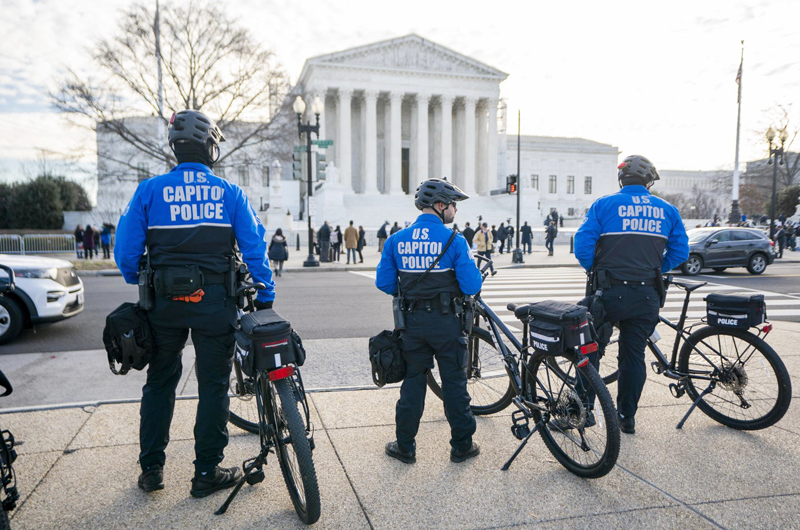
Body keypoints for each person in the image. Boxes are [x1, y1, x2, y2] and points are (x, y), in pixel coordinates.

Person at [114, 109, 276, 496]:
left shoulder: (149, 191)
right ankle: (206, 472)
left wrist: (141, 277)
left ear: (175, 148)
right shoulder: (229, 193)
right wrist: (266, 292)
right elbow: (255, 249)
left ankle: (151, 469)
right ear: (211, 149)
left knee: (160, 382)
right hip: (215, 304)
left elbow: (125, 254)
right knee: (214, 384)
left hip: (163, 305)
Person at [574, 154, 688, 435]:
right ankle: (626, 417)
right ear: (649, 181)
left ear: (622, 179)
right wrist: (654, 268)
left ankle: (583, 409)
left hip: (607, 293)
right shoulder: (667, 210)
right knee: (633, 356)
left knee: (590, 350)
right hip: (646, 294)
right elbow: (681, 252)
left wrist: (597, 270)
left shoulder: (604, 204)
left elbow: (582, 245)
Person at [375, 178, 482, 464]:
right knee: (454, 384)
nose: (455, 211)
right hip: (447, 324)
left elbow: (384, 283)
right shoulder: (454, 240)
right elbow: (471, 285)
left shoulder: (397, 240)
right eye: (453, 205)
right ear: (439, 205)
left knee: (412, 383)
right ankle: (461, 446)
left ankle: (405, 446)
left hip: (412, 324)